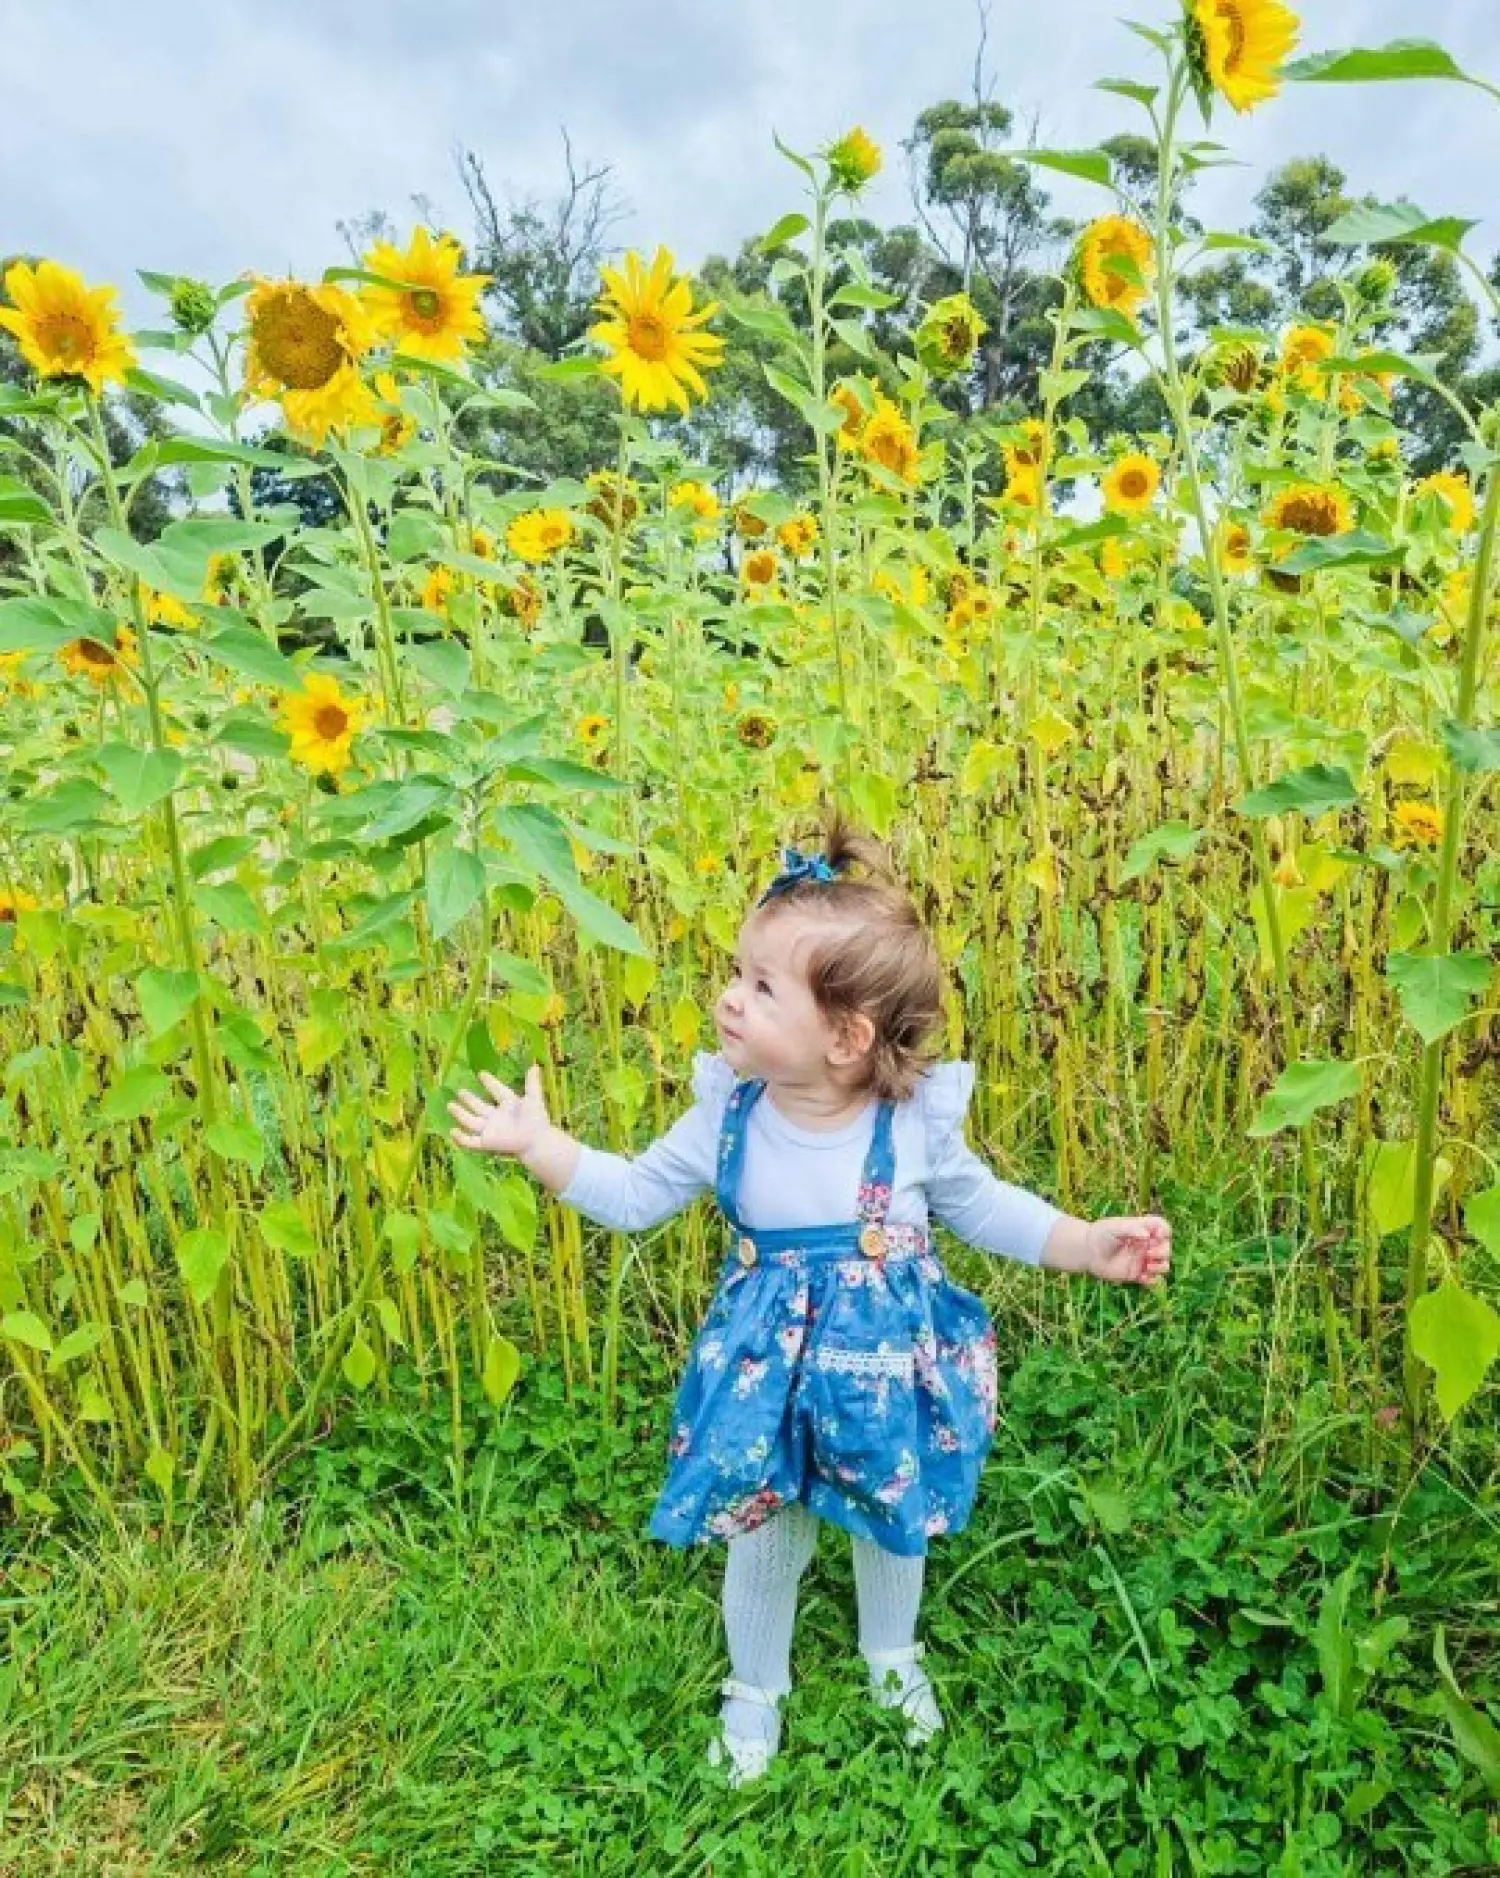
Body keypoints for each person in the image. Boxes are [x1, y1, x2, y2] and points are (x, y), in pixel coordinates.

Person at [448, 813, 1172, 1783]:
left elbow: (983, 1206)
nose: (727, 1000)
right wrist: (543, 1149)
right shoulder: (728, 1115)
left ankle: (891, 1651)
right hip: (766, 1376)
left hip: (881, 1370)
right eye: (735, 974)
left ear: (845, 1036)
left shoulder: (909, 1125)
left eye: (759, 986)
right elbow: (631, 1195)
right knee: (765, 1526)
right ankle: (755, 1684)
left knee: (891, 1515)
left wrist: (1086, 1244)